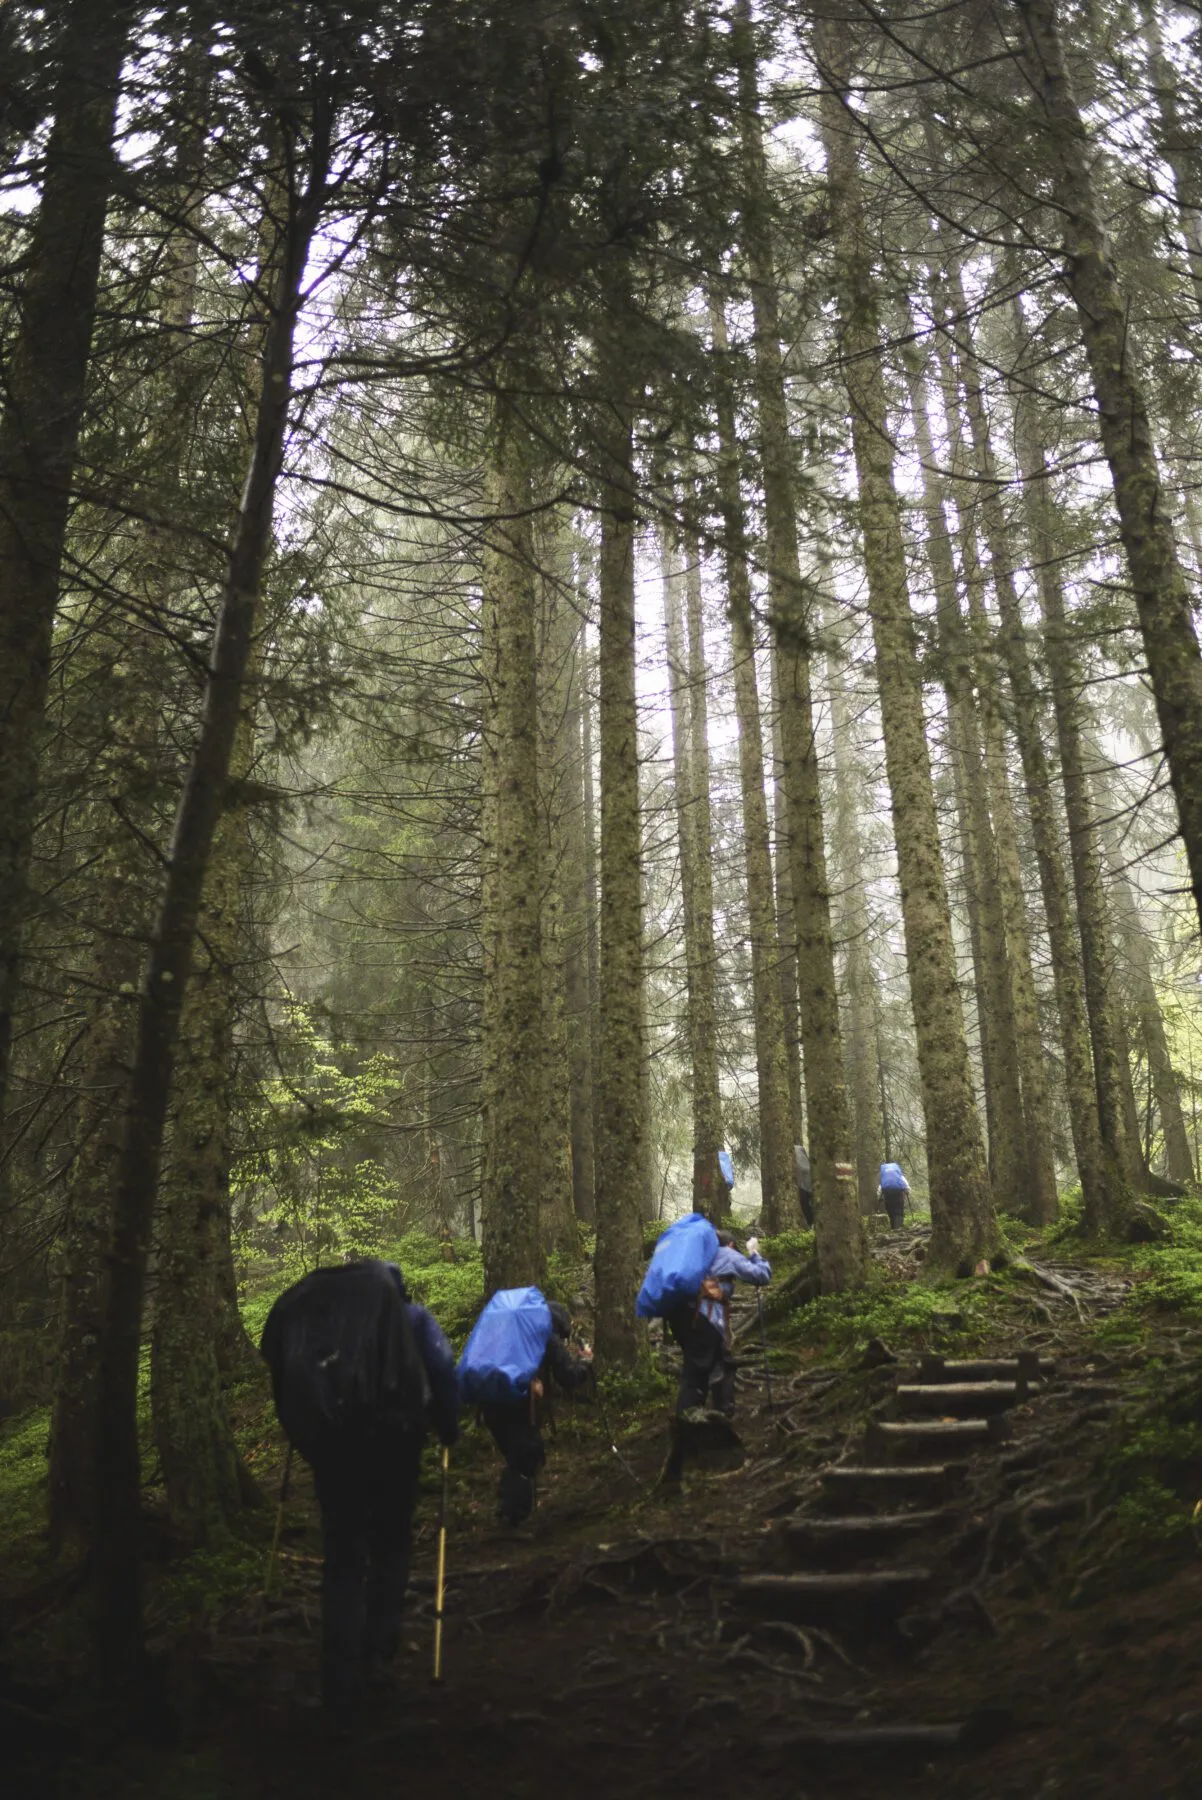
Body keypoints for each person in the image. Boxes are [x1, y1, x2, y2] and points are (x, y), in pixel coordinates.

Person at [260, 1257, 459, 1729]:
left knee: (343, 1557)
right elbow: (444, 1371)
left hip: (334, 1452)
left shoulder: (321, 1322)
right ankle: (378, 1653)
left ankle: (339, 1678)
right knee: (391, 1545)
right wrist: (449, 1428)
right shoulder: (411, 1319)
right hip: (394, 1446)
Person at [481, 1301, 593, 1527]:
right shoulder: (546, 1335)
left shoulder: (512, 1333)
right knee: (528, 1455)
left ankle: (506, 1509)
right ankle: (512, 1518)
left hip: (489, 1401)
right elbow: (568, 1376)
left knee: (517, 1456)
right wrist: (585, 1362)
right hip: (516, 1406)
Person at [665, 1228, 772, 1420]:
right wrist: (754, 1253)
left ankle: (698, 1418)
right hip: (704, 1317)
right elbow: (761, 1275)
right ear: (730, 1244)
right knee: (710, 1368)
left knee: (701, 1362)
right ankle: (710, 1417)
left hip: (678, 1317)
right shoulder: (727, 1254)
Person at [877, 1161, 911, 1229]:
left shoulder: (884, 1178)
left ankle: (893, 1229)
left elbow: (880, 1189)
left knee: (891, 1214)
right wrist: (908, 1192)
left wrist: (879, 1198)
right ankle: (898, 1229)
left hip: (888, 1198)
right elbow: (907, 1187)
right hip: (899, 1197)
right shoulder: (900, 1176)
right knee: (898, 1213)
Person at [794, 1143, 814, 1228]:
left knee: (805, 1207)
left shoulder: (799, 1160)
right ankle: (809, 1223)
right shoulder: (806, 1162)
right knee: (807, 1207)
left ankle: (809, 1223)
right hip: (807, 1189)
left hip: (803, 1189)